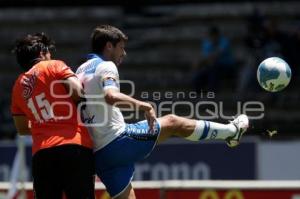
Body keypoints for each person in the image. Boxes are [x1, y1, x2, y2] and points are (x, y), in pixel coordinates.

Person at [76, 25, 249, 199]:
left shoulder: (79, 71)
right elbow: (111, 96)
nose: (124, 53)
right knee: (173, 122)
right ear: (109, 46)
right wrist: (144, 106)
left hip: (99, 156)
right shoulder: (106, 66)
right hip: (116, 142)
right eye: (121, 47)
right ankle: (231, 133)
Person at [11, 33, 95, 199]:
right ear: (42, 53)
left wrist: (43, 122)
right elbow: (78, 92)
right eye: (48, 52)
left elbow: (21, 128)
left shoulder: (17, 86)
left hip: (42, 155)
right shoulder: (53, 65)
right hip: (74, 147)